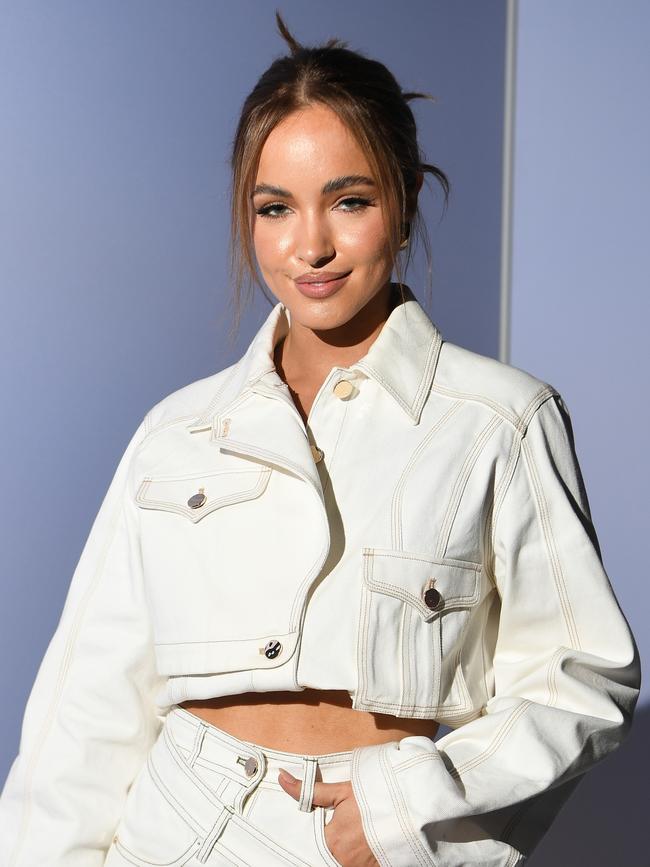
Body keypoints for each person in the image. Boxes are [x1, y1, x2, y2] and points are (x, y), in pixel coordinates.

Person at [0, 11, 640, 867]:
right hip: (171, 825)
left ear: (404, 202)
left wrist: (410, 809)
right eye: (275, 207)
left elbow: (582, 679)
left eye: (350, 199)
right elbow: (88, 706)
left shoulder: (502, 420)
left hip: (363, 834)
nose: (311, 245)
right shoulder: (178, 430)